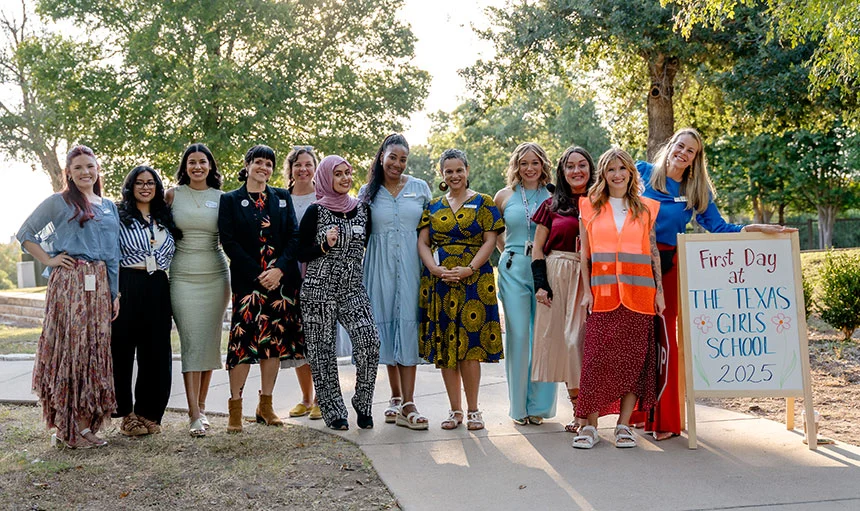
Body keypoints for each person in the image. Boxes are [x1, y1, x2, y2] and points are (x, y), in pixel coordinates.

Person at [632, 127, 795, 441]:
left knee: (666, 338)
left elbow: (719, 227)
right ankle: (639, 413)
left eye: (690, 151)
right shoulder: (642, 172)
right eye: (680, 146)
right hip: (634, 263)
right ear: (671, 144)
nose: (683, 153)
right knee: (639, 336)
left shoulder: (695, 190)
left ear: (695, 158)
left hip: (669, 265)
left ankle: (666, 421)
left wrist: (753, 228)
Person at [17, 145, 120, 448]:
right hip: (70, 283)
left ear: (97, 169)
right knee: (72, 351)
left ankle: (86, 425)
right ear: (69, 173)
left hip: (100, 284)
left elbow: (113, 254)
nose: (85, 172)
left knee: (93, 352)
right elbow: (26, 233)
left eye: (90, 166)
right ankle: (67, 428)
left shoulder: (109, 206)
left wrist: (115, 293)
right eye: (78, 167)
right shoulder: (58, 202)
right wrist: (49, 260)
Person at [573, 147, 664, 449]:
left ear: (630, 173)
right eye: (611, 169)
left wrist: (660, 292)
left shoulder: (646, 208)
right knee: (595, 362)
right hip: (603, 296)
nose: (617, 174)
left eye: (622, 168)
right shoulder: (588, 206)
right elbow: (584, 255)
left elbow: (652, 251)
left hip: (640, 296)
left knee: (632, 363)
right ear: (603, 174)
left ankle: (623, 426)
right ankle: (590, 426)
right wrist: (587, 291)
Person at [218, 145, 305, 433]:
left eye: (269, 164)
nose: (263, 168)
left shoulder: (281, 197)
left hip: (280, 284)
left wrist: (279, 270)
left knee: (273, 344)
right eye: (258, 162)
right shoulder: (230, 200)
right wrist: (259, 275)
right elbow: (229, 242)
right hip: (248, 284)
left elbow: (294, 236)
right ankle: (235, 407)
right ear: (247, 165)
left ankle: (265, 405)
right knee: (242, 346)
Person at [418, 149, 505, 431]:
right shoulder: (433, 206)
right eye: (449, 171)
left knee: (469, 348)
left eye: (459, 170)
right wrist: (434, 269)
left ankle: (473, 411)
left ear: (467, 170)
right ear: (442, 174)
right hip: (441, 282)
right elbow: (423, 242)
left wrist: (470, 268)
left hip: (474, 282)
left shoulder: (484, 202)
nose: (454, 176)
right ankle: (455, 410)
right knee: (446, 347)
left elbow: (490, 240)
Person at [298, 155, 380, 431]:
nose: (345, 178)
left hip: (352, 289)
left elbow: (365, 245)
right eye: (338, 174)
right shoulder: (315, 211)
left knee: (369, 341)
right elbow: (300, 252)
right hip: (318, 290)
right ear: (326, 178)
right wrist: (324, 245)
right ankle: (333, 411)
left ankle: (363, 402)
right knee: (322, 353)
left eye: (347, 172)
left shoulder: (362, 209)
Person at [360, 134, 432, 430]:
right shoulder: (367, 192)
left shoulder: (420, 188)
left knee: (408, 325)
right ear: (382, 157)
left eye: (403, 159)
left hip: (413, 266)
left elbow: (431, 230)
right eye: (393, 157)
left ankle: (409, 403)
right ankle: (395, 396)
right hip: (379, 268)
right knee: (387, 326)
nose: (398, 164)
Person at [530, 146, 596, 433]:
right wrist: (540, 285)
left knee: (584, 344)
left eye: (582, 165)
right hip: (558, 274)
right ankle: (579, 413)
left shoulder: (601, 201)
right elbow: (537, 249)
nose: (576, 170)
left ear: (591, 169)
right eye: (570, 166)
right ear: (562, 171)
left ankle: (591, 412)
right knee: (567, 345)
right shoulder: (551, 206)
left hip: (592, 277)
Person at [167, 143, 230, 437]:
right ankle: (193, 413)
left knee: (208, 343)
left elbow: (233, 236)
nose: (197, 167)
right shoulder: (172, 195)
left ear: (210, 166)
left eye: (202, 161)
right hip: (182, 275)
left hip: (216, 275)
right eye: (191, 162)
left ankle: (202, 408)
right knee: (191, 342)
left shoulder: (222, 198)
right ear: (185, 167)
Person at [494, 142, 557, 426]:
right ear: (516, 166)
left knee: (543, 336)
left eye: (534, 162)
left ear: (543, 164)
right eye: (523, 163)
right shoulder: (504, 195)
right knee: (518, 336)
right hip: (513, 269)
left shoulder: (554, 195)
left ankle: (539, 406)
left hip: (546, 270)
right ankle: (518, 407)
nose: (529, 168)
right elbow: (493, 232)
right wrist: (507, 252)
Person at [112, 165, 178, 437]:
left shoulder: (164, 216)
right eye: (139, 182)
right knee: (122, 350)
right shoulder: (118, 216)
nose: (145, 187)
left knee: (156, 352)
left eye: (150, 182)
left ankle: (148, 413)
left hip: (158, 284)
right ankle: (126, 414)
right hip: (128, 282)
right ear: (131, 186)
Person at [283, 145, 323, 421]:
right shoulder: (281, 199)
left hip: (317, 272)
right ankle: (306, 398)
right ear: (290, 169)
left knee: (319, 336)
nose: (303, 169)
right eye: (297, 164)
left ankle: (321, 397)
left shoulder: (324, 198)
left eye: (308, 164)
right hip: (290, 274)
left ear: (316, 168)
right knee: (299, 337)